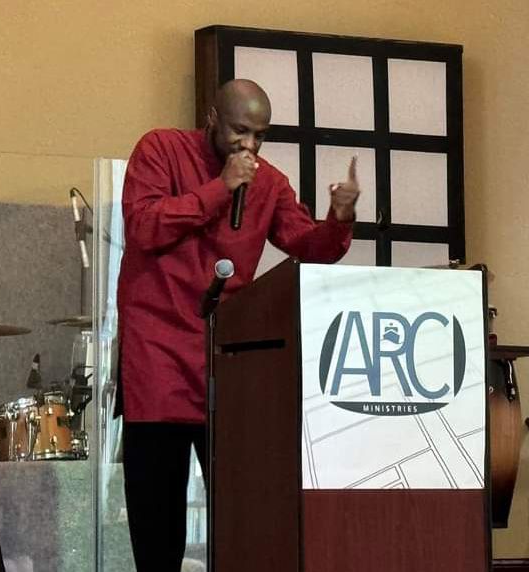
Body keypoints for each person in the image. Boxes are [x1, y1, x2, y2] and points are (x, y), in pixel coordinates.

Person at [116, 78, 359, 571]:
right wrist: (219, 188)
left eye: (260, 135)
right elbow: (143, 226)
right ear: (211, 118)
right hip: (157, 356)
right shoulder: (160, 149)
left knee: (243, 514)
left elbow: (306, 244)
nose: (249, 145)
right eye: (239, 131)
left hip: (224, 362)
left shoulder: (268, 183)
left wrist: (339, 218)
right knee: (158, 520)